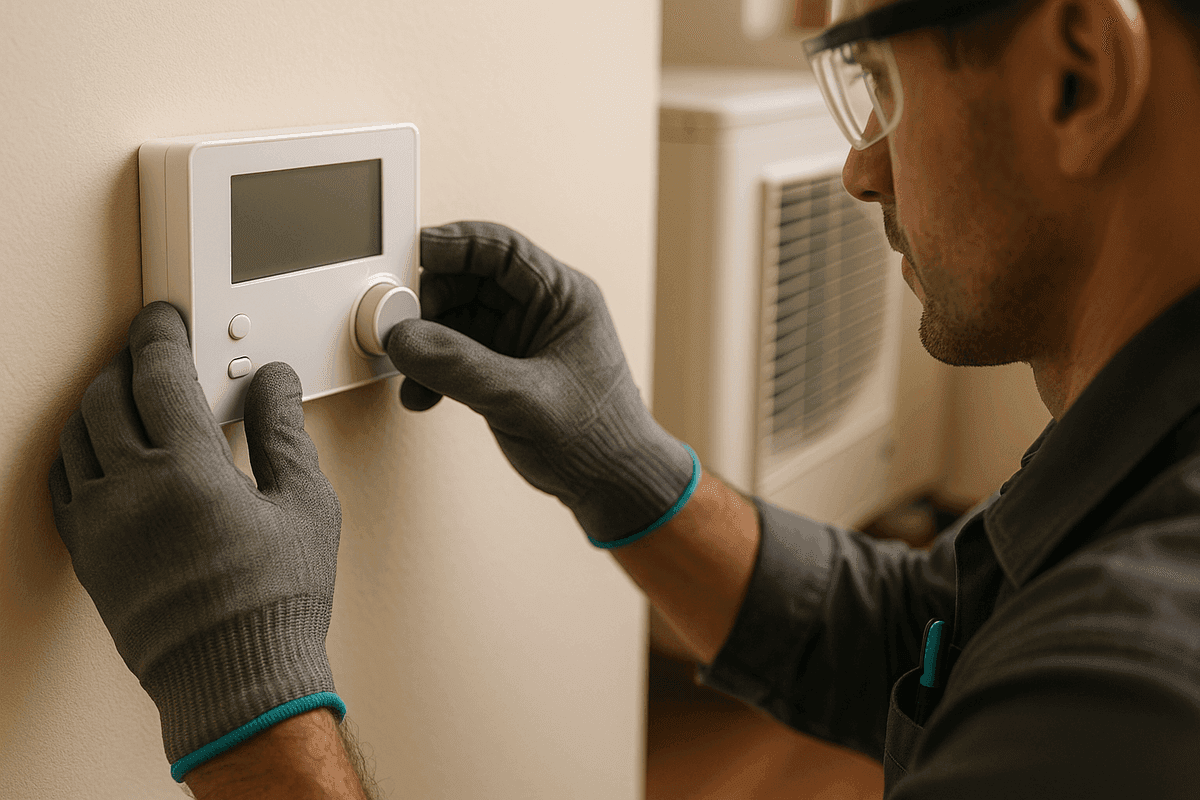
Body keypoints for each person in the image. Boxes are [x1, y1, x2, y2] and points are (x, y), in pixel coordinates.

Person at [47, 0, 1200, 796]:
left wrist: (252, 698)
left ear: (1079, 75)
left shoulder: (1129, 709)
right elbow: (922, 643)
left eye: (880, 78)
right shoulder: (1136, 472)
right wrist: (630, 466)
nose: (863, 167)